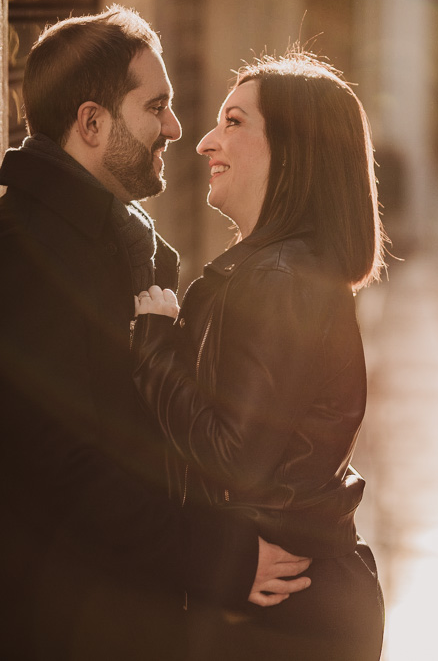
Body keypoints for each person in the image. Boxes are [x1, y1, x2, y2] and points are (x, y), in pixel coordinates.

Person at [0, 7, 309, 660]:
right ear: (91, 122)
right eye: (156, 106)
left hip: (141, 620)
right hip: (64, 630)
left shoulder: (128, 243)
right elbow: (65, 471)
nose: (174, 127)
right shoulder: (18, 258)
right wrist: (222, 559)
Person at [132, 50, 386, 659]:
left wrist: (153, 349)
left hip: (281, 613)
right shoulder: (281, 271)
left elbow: (234, 456)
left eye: (236, 122)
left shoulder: (279, 278)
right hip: (292, 598)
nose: (205, 142)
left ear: (293, 150)